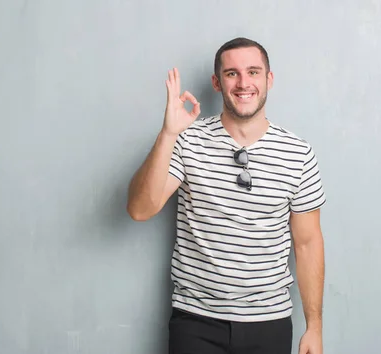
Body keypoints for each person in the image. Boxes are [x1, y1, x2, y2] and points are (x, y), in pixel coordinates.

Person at [126, 37, 326, 354]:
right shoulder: (187, 141)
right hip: (196, 321)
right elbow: (140, 209)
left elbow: (308, 242)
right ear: (217, 83)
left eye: (253, 72)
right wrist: (168, 133)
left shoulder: (298, 153)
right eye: (232, 73)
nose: (244, 83)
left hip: (269, 322)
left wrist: (314, 327)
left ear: (269, 80)